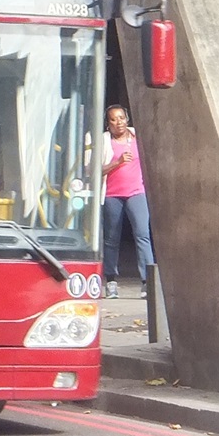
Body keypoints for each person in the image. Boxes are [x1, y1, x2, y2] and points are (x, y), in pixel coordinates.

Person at [98, 104, 155, 299]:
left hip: (136, 192)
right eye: (113, 119)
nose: (118, 122)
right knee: (112, 239)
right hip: (112, 195)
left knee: (142, 235)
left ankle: (148, 282)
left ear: (127, 119)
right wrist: (118, 162)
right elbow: (94, 171)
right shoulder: (104, 142)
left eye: (121, 118)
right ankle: (111, 281)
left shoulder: (138, 137)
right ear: (108, 124)